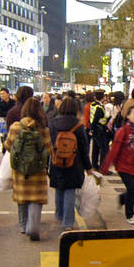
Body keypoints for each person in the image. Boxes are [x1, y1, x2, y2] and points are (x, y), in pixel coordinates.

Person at [7, 98, 51, 240]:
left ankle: (23, 225)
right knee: (36, 199)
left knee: (22, 198)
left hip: (20, 170)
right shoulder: (43, 129)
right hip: (38, 170)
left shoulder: (15, 127)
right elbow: (48, 149)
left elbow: (8, 146)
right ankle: (33, 226)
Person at [101, 103, 134, 224]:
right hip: (123, 166)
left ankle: (122, 198)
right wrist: (105, 167)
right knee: (132, 189)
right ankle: (130, 214)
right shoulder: (123, 131)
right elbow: (114, 150)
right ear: (128, 116)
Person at [48, 94, 92, 231]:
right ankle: (67, 223)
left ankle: (59, 215)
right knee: (69, 191)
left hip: (56, 160)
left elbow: (49, 142)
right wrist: (88, 167)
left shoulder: (53, 123)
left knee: (59, 188)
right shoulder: (78, 126)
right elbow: (84, 149)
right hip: (74, 163)